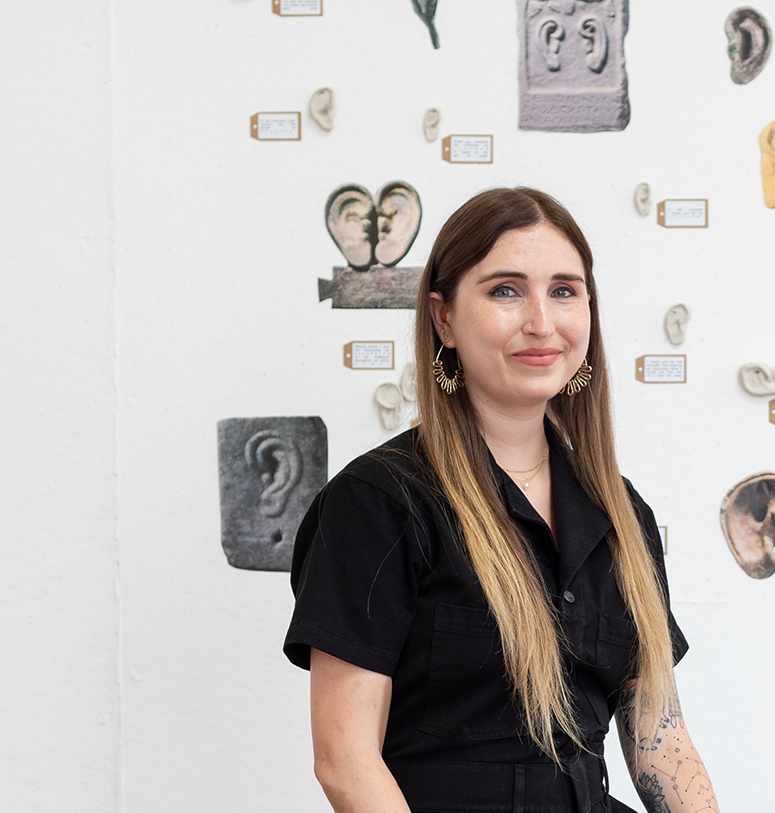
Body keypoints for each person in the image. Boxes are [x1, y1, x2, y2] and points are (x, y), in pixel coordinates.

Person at [284, 187, 719, 813]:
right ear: (443, 319)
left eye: (564, 291)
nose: (542, 322)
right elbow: (345, 763)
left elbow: (663, 743)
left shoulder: (623, 515)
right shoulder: (377, 503)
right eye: (505, 290)